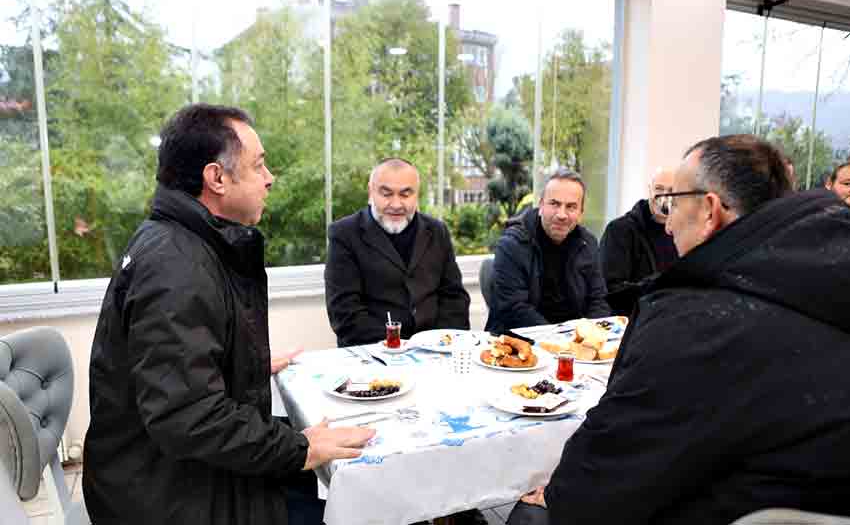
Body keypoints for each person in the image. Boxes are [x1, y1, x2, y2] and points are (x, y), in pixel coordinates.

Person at [508, 134, 850, 524]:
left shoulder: (696, 324)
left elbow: (595, 481)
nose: (667, 224)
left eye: (674, 203)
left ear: (709, 210)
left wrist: (552, 493)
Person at [83, 104, 374, 525]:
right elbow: (187, 416)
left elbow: (179, 370)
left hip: (170, 472)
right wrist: (302, 448)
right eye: (258, 166)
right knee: (358, 501)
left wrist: (243, 360)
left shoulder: (183, 242)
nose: (270, 177)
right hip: (167, 497)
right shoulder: (177, 267)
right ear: (216, 178)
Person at [325, 157, 470, 347]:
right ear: (371, 192)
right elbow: (344, 313)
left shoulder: (437, 231)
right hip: (372, 353)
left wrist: (439, 343)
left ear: (417, 195)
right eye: (386, 194)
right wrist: (400, 346)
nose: (396, 204)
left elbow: (455, 299)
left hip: (435, 351)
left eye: (405, 194)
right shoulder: (344, 234)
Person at [485, 169, 610, 334]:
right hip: (520, 343)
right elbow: (514, 309)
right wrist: (560, 338)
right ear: (541, 205)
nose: (562, 214)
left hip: (575, 342)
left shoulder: (587, 243)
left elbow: (598, 300)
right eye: (555, 204)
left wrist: (590, 336)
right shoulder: (512, 245)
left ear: (581, 213)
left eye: (571, 207)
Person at [599, 167, 678, 315]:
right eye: (659, 189)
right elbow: (611, 290)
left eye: (672, 190)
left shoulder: (683, 231)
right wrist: (661, 285)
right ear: (649, 190)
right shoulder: (619, 230)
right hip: (633, 322)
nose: (665, 196)